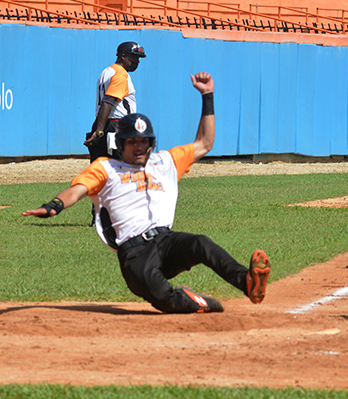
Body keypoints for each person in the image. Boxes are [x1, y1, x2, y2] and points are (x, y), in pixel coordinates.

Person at [24, 72, 271, 314]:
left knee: (200, 243)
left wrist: (207, 96)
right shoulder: (106, 168)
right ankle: (197, 302)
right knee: (165, 299)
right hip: (134, 254)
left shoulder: (165, 162)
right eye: (132, 141)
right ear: (121, 144)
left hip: (166, 241)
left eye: (144, 141)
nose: (139, 146)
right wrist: (54, 205)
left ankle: (247, 281)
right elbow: (76, 191)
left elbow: (205, 143)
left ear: (151, 143)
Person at [84, 41, 147, 161]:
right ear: (123, 56)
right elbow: (108, 101)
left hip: (102, 123)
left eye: (138, 58)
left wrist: (99, 128)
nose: (137, 61)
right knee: (123, 169)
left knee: (101, 170)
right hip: (116, 126)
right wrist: (99, 131)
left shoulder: (107, 71)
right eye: (134, 57)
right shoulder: (120, 75)